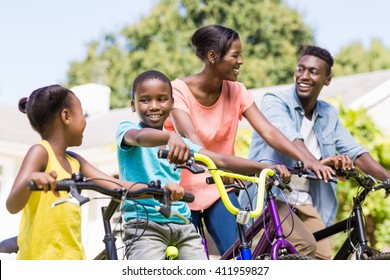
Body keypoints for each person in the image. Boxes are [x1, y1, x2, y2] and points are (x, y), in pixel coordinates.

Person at [163, 24, 334, 255]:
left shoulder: (237, 91)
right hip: (181, 191)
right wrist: (262, 167)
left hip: (219, 189)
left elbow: (269, 132)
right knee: (189, 260)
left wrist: (310, 160)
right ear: (213, 56)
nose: (241, 60)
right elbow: (199, 152)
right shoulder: (177, 92)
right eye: (235, 55)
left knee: (243, 257)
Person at [116, 69, 291, 260]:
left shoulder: (182, 143)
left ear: (172, 103)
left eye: (162, 99)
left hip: (182, 223)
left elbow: (220, 160)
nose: (154, 106)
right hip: (145, 225)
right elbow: (140, 138)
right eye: (145, 100)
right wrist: (170, 135)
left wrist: (262, 168)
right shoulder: (127, 129)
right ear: (133, 105)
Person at [247, 45, 390, 259]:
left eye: (313, 71)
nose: (304, 76)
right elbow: (288, 137)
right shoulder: (275, 101)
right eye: (300, 69)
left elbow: (355, 152)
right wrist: (315, 162)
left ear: (327, 79)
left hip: (304, 198)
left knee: (323, 257)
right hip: (272, 196)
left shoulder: (328, 113)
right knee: (306, 248)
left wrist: (387, 178)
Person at [5, 85, 159, 260]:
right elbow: (12, 205)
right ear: (66, 116)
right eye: (82, 114)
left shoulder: (75, 161)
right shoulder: (40, 152)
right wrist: (30, 180)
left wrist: (158, 191)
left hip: (74, 259)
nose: (85, 121)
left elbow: (116, 185)